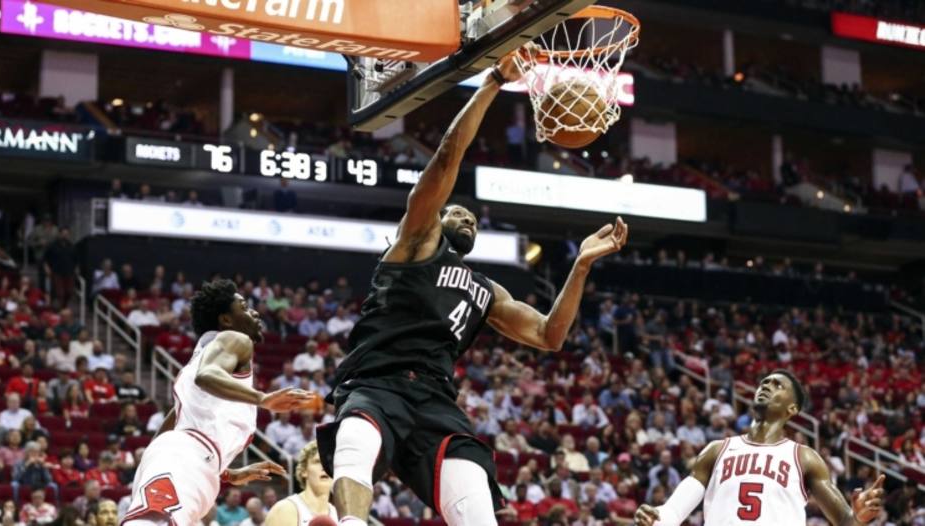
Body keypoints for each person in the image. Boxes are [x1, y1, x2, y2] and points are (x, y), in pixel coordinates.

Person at [316, 45, 630, 526]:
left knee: (475, 495)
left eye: (472, 216)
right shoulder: (416, 242)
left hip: (437, 401)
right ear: (435, 220)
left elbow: (550, 335)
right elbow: (446, 159)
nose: (466, 215)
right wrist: (492, 83)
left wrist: (582, 265)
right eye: (455, 211)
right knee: (357, 442)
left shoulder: (486, 290)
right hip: (377, 381)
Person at [120, 279, 314, 525]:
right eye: (243, 307)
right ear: (226, 320)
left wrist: (225, 473)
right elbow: (207, 376)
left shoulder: (199, 359)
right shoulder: (234, 339)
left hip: (183, 459)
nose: (254, 311)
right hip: (184, 459)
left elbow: (170, 430)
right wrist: (263, 399)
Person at [635, 370, 886, 526]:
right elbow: (673, 512)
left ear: (792, 409)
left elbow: (844, 520)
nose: (766, 386)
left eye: (778, 385)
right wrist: (654, 517)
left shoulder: (804, 458)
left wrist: (860, 517)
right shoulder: (716, 450)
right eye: (764, 382)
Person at [264, 442, 338, 525]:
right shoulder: (284, 509)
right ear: (304, 471)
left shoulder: (339, 516)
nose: (324, 468)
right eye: (317, 462)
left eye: (329, 463)